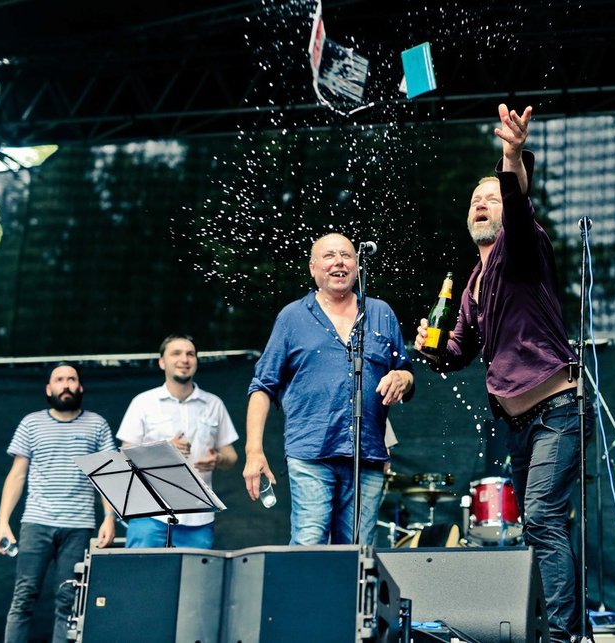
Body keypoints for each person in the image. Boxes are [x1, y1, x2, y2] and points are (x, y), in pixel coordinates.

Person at [414, 104, 587, 643]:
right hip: (516, 422)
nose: (483, 203)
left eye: (491, 197)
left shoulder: (523, 246)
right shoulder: (469, 284)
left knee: (540, 516)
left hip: (558, 410)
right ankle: (563, 629)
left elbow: (516, 198)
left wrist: (511, 153)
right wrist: (431, 349)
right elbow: (460, 352)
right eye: (474, 200)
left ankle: (563, 638)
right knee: (540, 525)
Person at [243, 233, 414, 546]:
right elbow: (262, 386)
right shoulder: (292, 317)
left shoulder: (380, 313)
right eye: (329, 256)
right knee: (310, 544)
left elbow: (405, 370)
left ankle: (351, 598)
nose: (339, 261)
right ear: (313, 268)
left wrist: (404, 378)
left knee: (359, 552)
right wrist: (254, 451)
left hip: (367, 456)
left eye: (347, 256)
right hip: (311, 453)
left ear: (357, 266)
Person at [0, 363, 117, 643]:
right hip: (36, 523)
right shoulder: (31, 422)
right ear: (49, 389)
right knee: (23, 598)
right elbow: (17, 474)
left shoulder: (97, 424)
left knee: (69, 602)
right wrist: (2, 523)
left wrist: (109, 517)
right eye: (59, 380)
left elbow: (107, 476)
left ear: (80, 387)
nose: (66, 385)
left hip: (79, 526)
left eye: (71, 379)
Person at [117, 333, 238, 548]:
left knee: (194, 582)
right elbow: (125, 455)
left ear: (196, 362)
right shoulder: (143, 402)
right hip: (150, 514)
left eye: (190, 354)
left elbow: (231, 457)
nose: (184, 359)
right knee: (141, 578)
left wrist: (218, 459)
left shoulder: (213, 404)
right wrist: (164, 449)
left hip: (198, 518)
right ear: (162, 362)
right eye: (176, 353)